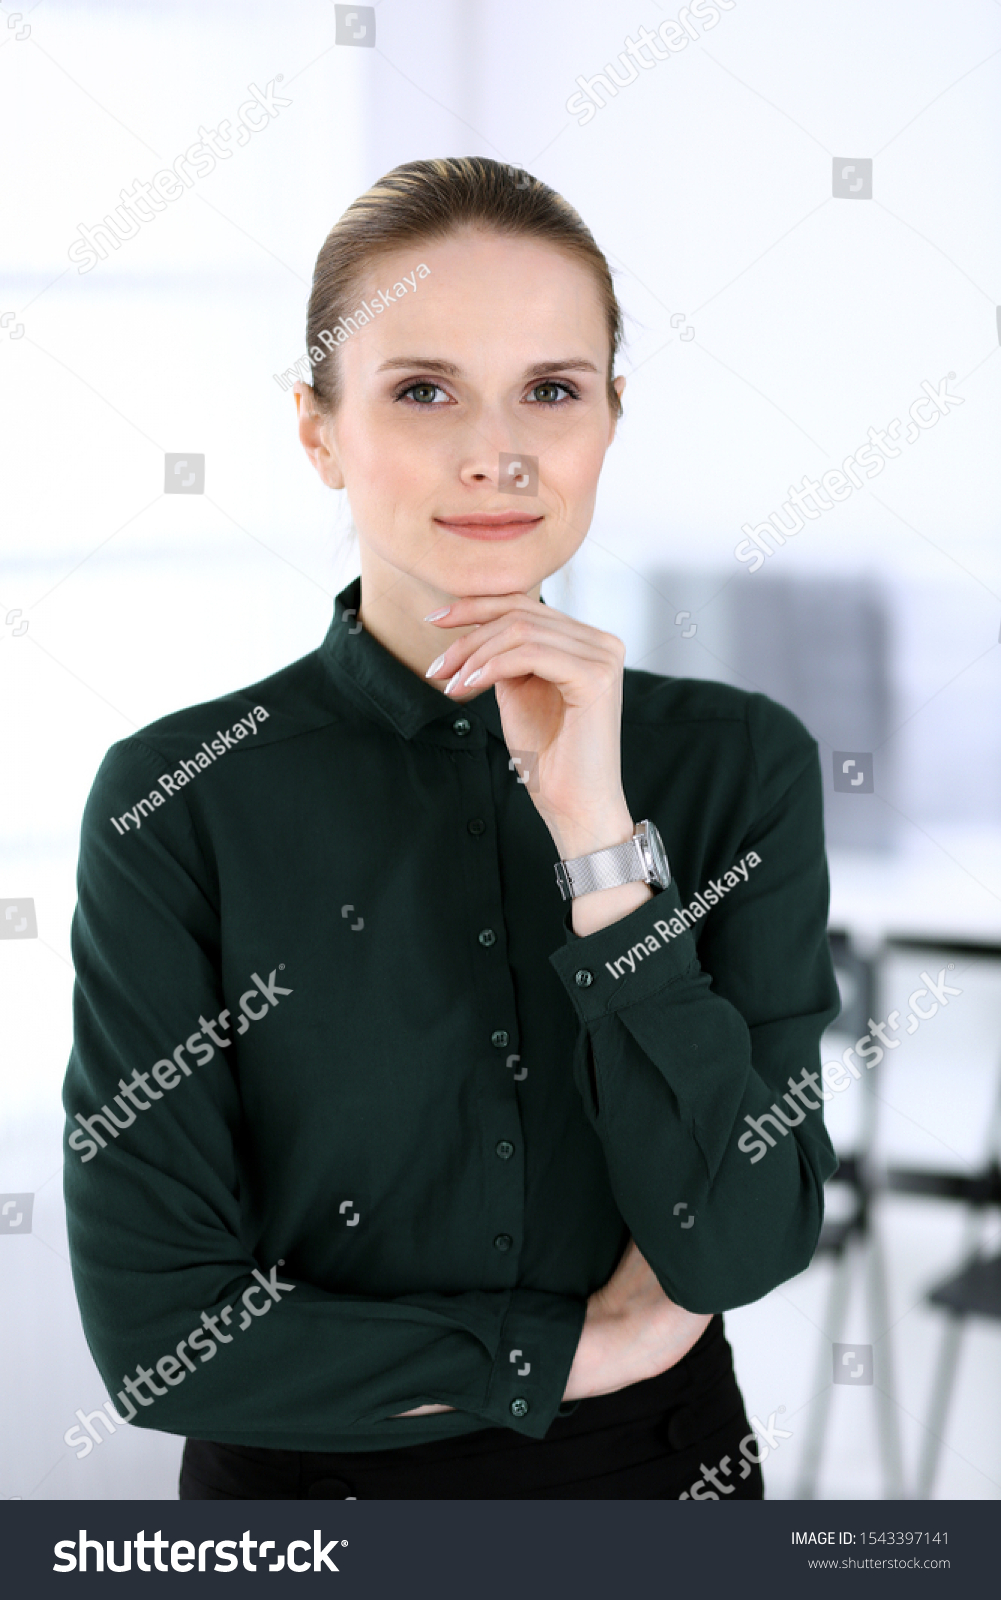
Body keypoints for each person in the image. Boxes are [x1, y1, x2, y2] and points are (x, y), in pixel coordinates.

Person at [62, 156, 840, 1501]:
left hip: (662, 1497)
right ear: (316, 431)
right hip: (308, 1515)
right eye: (423, 391)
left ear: (608, 419)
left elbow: (738, 1246)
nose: (498, 451)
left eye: (552, 388)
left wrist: (600, 846)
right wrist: (576, 1350)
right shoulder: (179, 795)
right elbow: (167, 1345)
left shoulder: (735, 766)